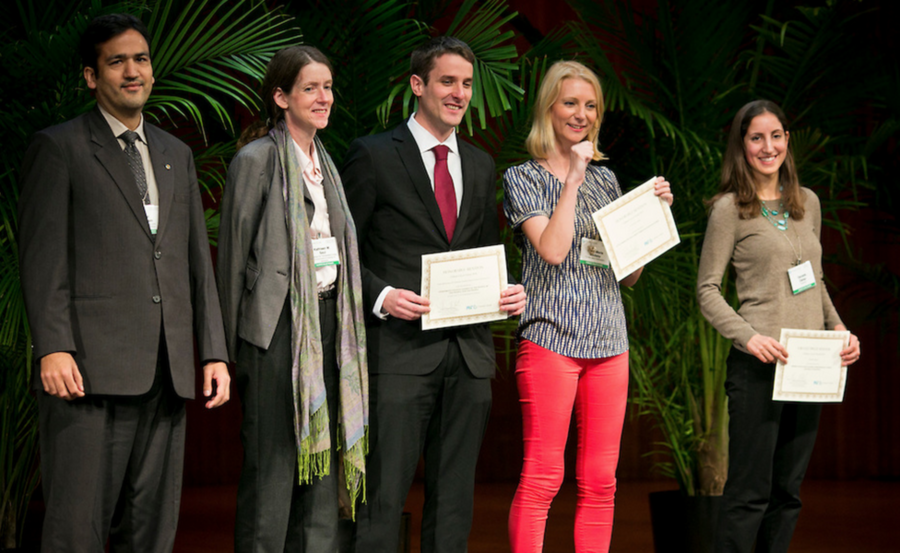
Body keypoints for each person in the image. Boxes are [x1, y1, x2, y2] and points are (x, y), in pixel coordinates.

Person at [17, 13, 230, 552]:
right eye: (117, 62)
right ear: (92, 77)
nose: (132, 71)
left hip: (167, 370)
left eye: (141, 59)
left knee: (152, 530)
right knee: (77, 528)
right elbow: (42, 259)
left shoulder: (175, 154)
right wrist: (54, 346)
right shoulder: (59, 147)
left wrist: (213, 353)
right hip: (88, 371)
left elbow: (194, 263)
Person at [340, 36, 527, 553]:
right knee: (382, 499)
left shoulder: (480, 163)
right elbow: (342, 250)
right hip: (398, 353)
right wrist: (381, 296)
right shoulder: (373, 154)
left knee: (454, 505)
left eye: (466, 84)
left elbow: (483, 251)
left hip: (467, 357)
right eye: (447, 81)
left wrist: (506, 291)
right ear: (417, 85)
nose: (459, 93)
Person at [502, 60, 673, 553]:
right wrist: (573, 179)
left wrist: (652, 217)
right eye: (571, 103)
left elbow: (629, 274)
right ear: (549, 108)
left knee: (600, 482)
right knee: (543, 477)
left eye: (591, 105)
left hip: (609, 341)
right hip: (551, 338)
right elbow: (554, 250)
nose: (582, 114)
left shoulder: (607, 180)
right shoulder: (523, 177)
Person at [216, 46, 369, 552]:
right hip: (276, 331)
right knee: (273, 476)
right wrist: (229, 353)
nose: (323, 98)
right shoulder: (256, 160)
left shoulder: (325, 162)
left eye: (327, 87)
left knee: (320, 476)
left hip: (329, 323)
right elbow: (232, 262)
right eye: (310, 88)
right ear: (281, 97)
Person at [697, 99, 861, 552]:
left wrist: (839, 329)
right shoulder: (729, 209)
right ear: (742, 145)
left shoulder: (807, 202)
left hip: (809, 366)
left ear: (787, 140)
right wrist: (749, 337)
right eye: (756, 138)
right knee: (749, 494)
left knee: (788, 494)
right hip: (758, 368)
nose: (767, 147)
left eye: (775, 136)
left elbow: (815, 280)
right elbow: (707, 290)